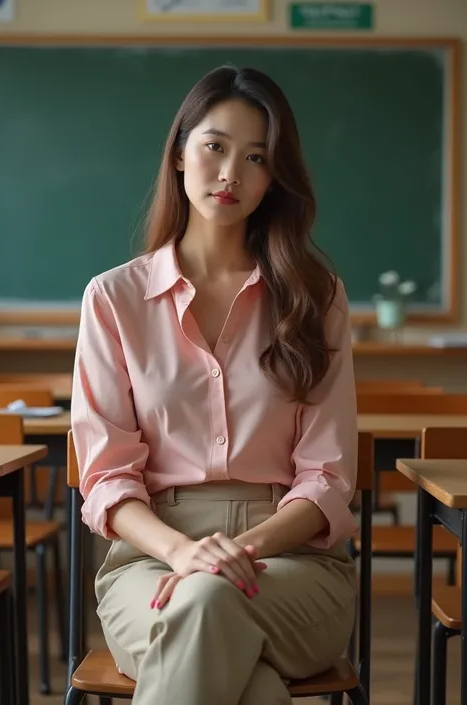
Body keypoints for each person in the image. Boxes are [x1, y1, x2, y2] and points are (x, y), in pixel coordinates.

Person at [71, 64, 358, 705]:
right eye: (215, 146)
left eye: (256, 157)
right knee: (244, 678)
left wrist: (234, 554)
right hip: (151, 560)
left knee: (208, 600)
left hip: (293, 564)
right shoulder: (114, 299)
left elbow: (329, 478)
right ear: (179, 153)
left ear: (275, 175)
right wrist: (183, 552)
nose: (231, 172)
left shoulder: (315, 298)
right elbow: (107, 478)